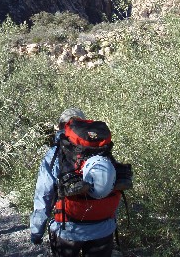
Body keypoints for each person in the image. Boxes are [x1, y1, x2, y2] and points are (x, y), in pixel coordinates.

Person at [30, 108, 118, 257]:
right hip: (103, 227)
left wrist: (36, 232)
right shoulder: (103, 150)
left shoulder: (55, 153)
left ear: (60, 126)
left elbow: (44, 194)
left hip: (68, 230)